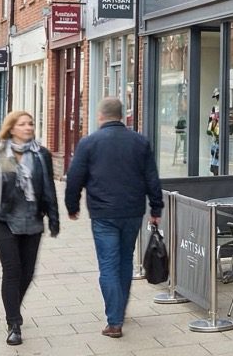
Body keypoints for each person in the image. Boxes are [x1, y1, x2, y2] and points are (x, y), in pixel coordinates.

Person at [64, 98, 163, 340]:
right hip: (132, 212)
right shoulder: (140, 142)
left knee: (108, 264)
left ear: (101, 116)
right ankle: (119, 309)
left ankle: (114, 320)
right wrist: (156, 209)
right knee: (125, 261)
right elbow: (152, 178)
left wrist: (72, 206)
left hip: (103, 214)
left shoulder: (88, 143)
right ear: (122, 116)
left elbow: (75, 177)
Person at [0, 111, 60, 347]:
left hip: (32, 222)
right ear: (11, 128)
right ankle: (14, 323)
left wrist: (54, 217)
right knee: (13, 271)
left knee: (27, 273)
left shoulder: (42, 155)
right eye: (23, 124)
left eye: (30, 123)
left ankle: (12, 306)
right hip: (3, 221)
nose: (28, 127)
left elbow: (48, 187)